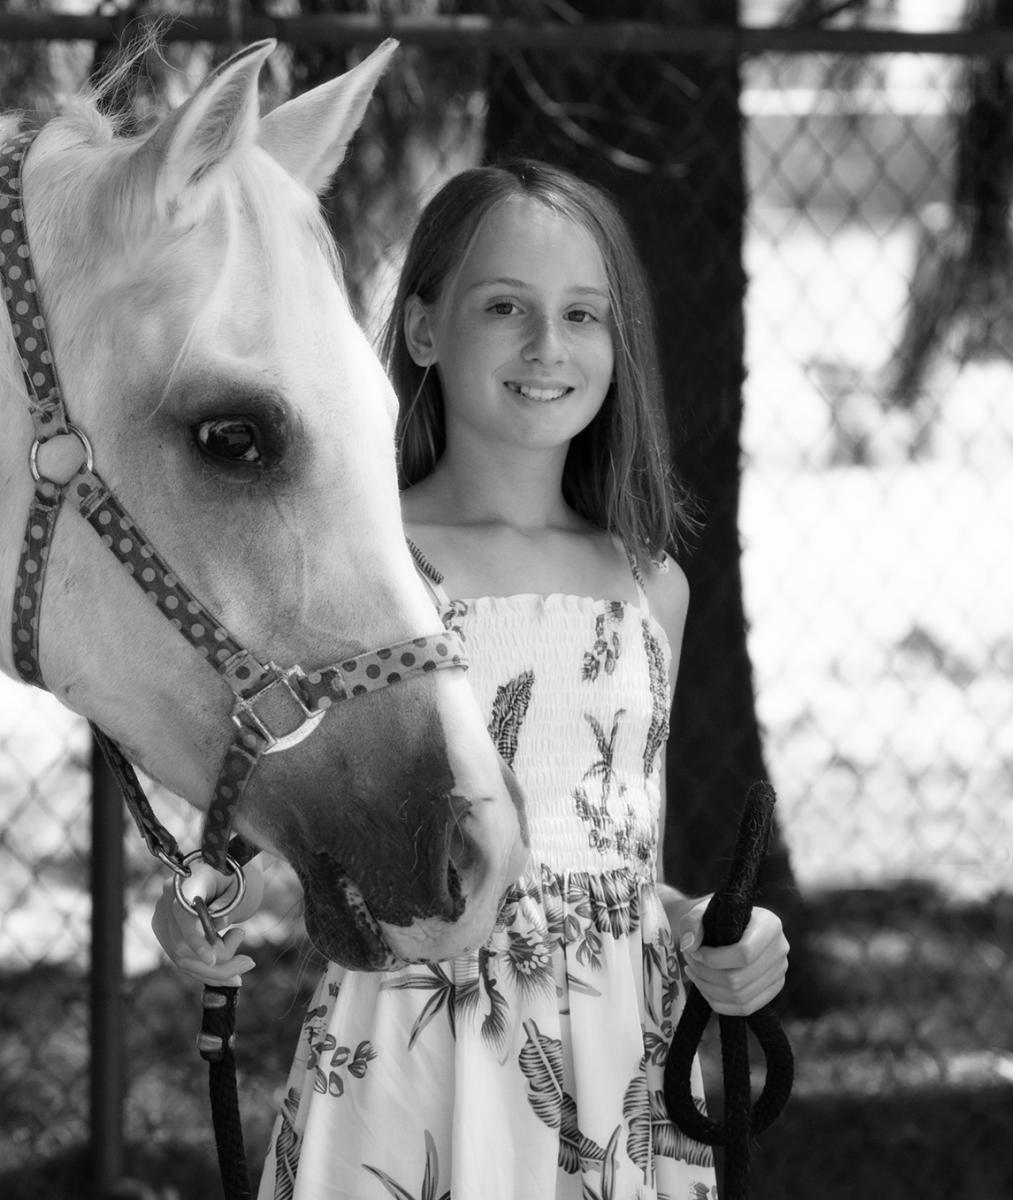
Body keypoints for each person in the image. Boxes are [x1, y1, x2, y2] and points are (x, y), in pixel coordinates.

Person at [154, 159, 789, 1199]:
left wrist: (716, 931)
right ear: (421, 330)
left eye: (583, 313)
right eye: (506, 306)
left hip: (616, 1059)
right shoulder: (362, 564)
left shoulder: (649, 585)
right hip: (406, 1049)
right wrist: (195, 909)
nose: (549, 345)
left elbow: (618, 867)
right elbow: (272, 830)